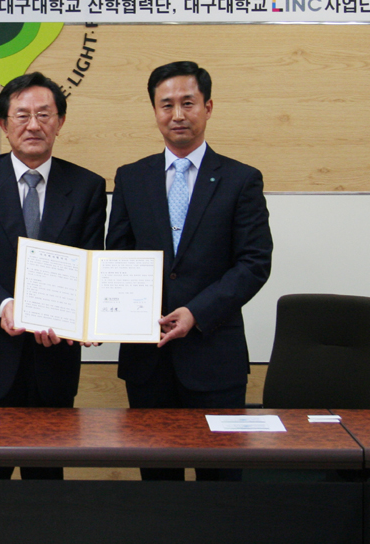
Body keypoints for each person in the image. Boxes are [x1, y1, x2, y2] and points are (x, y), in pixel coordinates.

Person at [107, 61, 273, 481]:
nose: (177, 114)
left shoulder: (241, 180)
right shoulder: (131, 178)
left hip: (214, 356)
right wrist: (109, 312)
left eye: (188, 103)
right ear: (155, 111)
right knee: (158, 487)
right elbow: (118, 257)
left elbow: (254, 262)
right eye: (166, 105)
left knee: (220, 485)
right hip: (148, 358)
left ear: (208, 107)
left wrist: (196, 312)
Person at [0, 72, 107, 479]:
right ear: (3, 124)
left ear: (60, 122)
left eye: (44, 115)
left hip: (54, 360)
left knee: (45, 488)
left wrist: (89, 318)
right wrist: (4, 305)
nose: (34, 125)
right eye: (22, 115)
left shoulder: (87, 186)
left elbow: (91, 266)